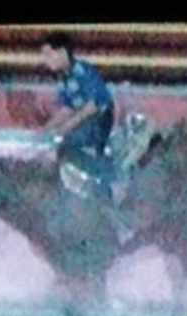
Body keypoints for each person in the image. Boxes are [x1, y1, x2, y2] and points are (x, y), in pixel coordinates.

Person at [35, 31, 134, 243]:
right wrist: (47, 129)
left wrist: (67, 127)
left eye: (48, 54)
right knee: (66, 149)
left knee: (70, 146)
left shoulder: (82, 70)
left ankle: (108, 174)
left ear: (62, 52)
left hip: (100, 119)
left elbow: (91, 106)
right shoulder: (63, 78)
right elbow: (67, 108)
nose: (46, 61)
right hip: (86, 119)